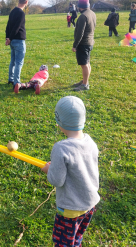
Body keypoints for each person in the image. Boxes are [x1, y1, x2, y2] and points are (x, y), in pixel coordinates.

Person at [41, 96, 100, 247]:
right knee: (76, 237)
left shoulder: (61, 148)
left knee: (63, 243)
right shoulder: (90, 142)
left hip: (70, 209)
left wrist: (49, 169)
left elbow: (57, 180)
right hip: (89, 204)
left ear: (59, 121)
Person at [72, 0, 96, 91]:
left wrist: (75, 45)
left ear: (80, 6)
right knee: (87, 63)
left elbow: (80, 33)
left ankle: (85, 84)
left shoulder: (83, 16)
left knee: (84, 65)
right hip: (90, 42)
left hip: (83, 43)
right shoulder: (92, 13)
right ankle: (84, 81)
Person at [5, 0, 29, 88]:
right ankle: (16, 82)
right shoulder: (21, 13)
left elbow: (8, 26)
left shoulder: (13, 11)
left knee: (13, 61)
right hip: (18, 40)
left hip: (12, 41)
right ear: (26, 2)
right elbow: (17, 27)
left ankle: (11, 79)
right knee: (19, 62)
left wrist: (8, 38)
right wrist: (9, 38)